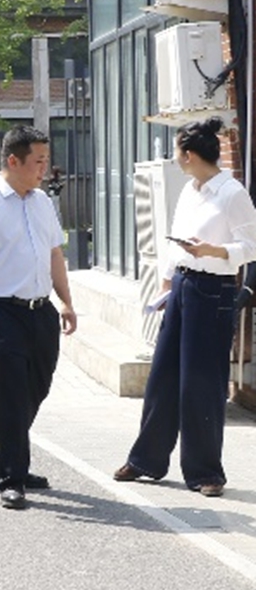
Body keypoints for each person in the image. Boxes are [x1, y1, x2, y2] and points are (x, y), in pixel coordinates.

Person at [116, 117, 256, 497]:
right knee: (162, 376)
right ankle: (146, 460)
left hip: (213, 290)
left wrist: (213, 250)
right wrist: (166, 284)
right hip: (181, 286)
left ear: (190, 154)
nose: (175, 157)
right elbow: (174, 242)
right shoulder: (189, 191)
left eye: (177, 151)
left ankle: (206, 472)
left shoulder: (232, 193)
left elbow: (251, 247)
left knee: (202, 382)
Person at [0, 125, 77, 510]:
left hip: (41, 311)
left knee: (37, 387)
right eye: (38, 161)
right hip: (0, 310)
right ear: (13, 161)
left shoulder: (42, 202)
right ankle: (13, 476)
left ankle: (4, 458)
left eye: (46, 160)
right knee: (11, 394)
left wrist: (66, 302)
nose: (44, 168)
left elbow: (55, 254)